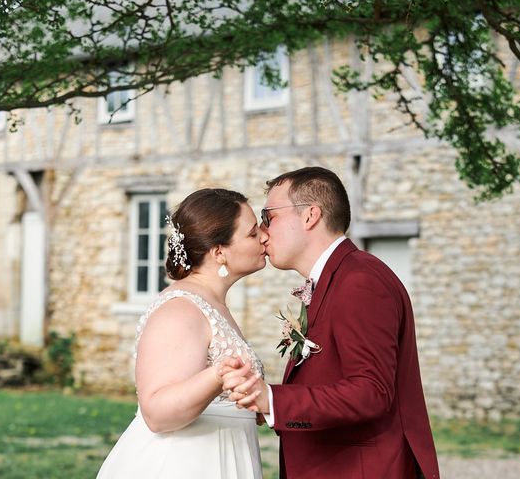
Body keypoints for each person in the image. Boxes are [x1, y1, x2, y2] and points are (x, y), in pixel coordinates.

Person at [222, 167, 440, 479]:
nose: (265, 231)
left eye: (269, 216)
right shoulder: (337, 278)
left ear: (310, 216)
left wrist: (272, 399)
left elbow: (371, 391)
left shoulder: (360, 281)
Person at [97, 188, 268, 479]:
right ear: (219, 252)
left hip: (223, 454)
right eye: (252, 233)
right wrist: (217, 377)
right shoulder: (181, 310)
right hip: (186, 464)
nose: (264, 236)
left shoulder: (210, 303)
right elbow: (157, 413)